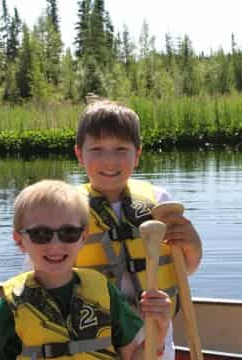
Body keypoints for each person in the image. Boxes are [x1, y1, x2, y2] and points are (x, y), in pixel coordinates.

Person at [0, 179, 171, 360]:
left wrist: (159, 333)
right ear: (20, 241)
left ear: (83, 237)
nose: (55, 245)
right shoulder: (4, 312)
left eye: (68, 232)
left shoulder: (105, 294)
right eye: (40, 234)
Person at [73, 99, 203, 359]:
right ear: (79, 154)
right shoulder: (64, 207)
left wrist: (193, 243)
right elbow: (39, 274)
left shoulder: (159, 201)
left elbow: (183, 268)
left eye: (121, 149)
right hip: (93, 335)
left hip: (154, 329)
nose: (109, 160)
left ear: (137, 155)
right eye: (97, 149)